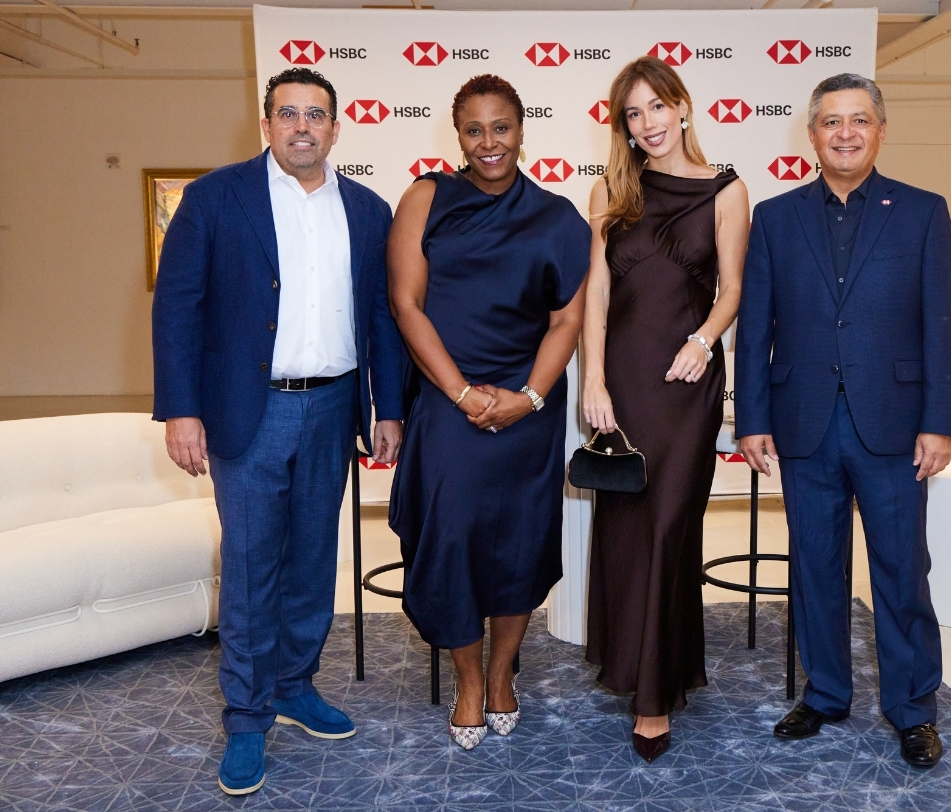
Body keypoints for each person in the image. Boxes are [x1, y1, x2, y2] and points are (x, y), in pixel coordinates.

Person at [152, 67, 405, 795]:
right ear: (265, 125)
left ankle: (295, 686)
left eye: (315, 114)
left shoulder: (367, 209)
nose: (301, 126)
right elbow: (177, 308)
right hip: (247, 409)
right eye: (287, 113)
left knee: (312, 561)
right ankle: (246, 715)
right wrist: (181, 409)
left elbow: (382, 316)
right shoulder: (214, 198)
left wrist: (387, 407)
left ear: (336, 128)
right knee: (251, 566)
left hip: (333, 407)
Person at [734, 72, 951, 768]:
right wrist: (751, 417)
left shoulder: (923, 212)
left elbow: (943, 326)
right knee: (815, 567)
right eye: (831, 121)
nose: (845, 133)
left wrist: (940, 422)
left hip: (895, 426)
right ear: (811, 134)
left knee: (901, 571)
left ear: (881, 130)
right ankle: (826, 693)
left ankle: (913, 709)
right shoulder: (775, 217)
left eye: (859, 120)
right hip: (804, 424)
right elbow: (755, 326)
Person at [387, 74, 590, 751]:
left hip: (528, 407)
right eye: (473, 130)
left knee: (518, 546)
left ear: (521, 130)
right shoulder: (426, 198)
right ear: (458, 136)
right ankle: (469, 682)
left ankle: (502, 676)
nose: (488, 142)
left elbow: (566, 322)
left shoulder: (558, 217)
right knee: (451, 544)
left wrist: (528, 398)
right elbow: (407, 305)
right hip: (449, 403)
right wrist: (461, 392)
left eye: (500, 127)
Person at [582, 56, 751, 763]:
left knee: (669, 527)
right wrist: (593, 379)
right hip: (623, 382)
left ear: (682, 107)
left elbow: (733, 288)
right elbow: (596, 292)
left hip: (686, 385)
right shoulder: (610, 191)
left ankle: (654, 696)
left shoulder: (726, 190)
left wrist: (704, 342)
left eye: (657, 106)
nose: (648, 123)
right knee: (627, 529)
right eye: (634, 113)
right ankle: (641, 667)